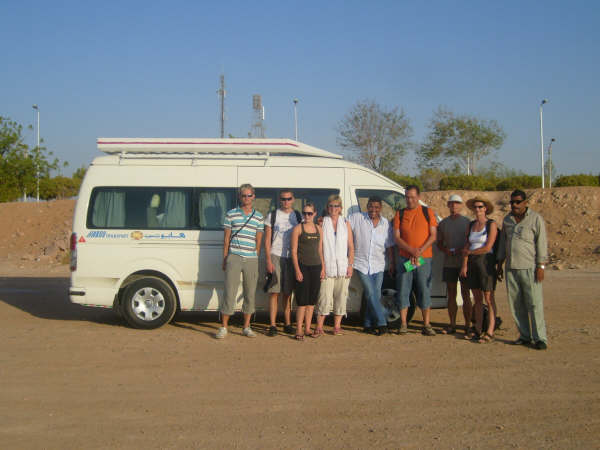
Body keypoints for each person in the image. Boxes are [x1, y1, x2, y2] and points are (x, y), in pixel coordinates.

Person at [496, 189, 549, 350]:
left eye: (518, 202)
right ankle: (525, 335)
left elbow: (541, 243)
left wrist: (541, 266)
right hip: (511, 268)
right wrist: (500, 264)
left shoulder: (535, 219)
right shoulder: (507, 220)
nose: (514, 205)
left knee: (534, 304)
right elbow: (503, 243)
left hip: (530, 268)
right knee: (516, 304)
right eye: (512, 202)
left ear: (525, 202)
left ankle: (540, 337)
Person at [217, 184, 264, 339]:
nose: (247, 198)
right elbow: (226, 240)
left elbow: (258, 241)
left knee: (250, 293)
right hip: (234, 257)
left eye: (249, 195)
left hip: (251, 258)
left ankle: (246, 327)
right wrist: (225, 258)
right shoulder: (231, 214)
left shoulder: (259, 216)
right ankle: (224, 327)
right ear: (240, 197)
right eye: (244, 195)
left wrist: (255, 255)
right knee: (229, 291)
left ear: (254, 196)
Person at [393, 185, 438, 336]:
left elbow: (433, 235)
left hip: (423, 259)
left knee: (424, 289)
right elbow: (397, 238)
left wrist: (419, 251)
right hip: (405, 258)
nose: (409, 200)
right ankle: (404, 324)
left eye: (412, 197)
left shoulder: (427, 212)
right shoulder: (400, 214)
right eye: (407, 197)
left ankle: (426, 324)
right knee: (403, 289)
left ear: (419, 197)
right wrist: (411, 250)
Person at [349, 196, 395, 336]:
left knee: (373, 295)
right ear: (367, 206)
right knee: (370, 293)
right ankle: (382, 323)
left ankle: (368, 324)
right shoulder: (357, 218)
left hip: (379, 265)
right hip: (361, 263)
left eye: (376, 207)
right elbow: (341, 224)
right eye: (370, 206)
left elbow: (390, 246)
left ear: (380, 208)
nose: (373, 210)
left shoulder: (385, 224)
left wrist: (392, 263)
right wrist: (323, 220)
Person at [314, 195, 355, 337]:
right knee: (324, 297)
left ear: (341, 208)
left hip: (343, 267)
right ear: (327, 207)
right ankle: (319, 327)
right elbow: (319, 247)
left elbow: (351, 246)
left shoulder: (346, 223)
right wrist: (322, 266)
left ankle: (337, 326)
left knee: (341, 297)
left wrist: (350, 265)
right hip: (327, 266)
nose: (333, 209)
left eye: (336, 206)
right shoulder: (321, 223)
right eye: (331, 206)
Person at [460, 196, 498, 343]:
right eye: (475, 207)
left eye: (480, 207)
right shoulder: (471, 225)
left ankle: (490, 330)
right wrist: (464, 264)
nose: (478, 209)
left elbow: (488, 247)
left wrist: (470, 254)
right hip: (472, 262)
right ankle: (478, 328)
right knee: (476, 298)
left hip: (485, 262)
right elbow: (467, 245)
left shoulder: (491, 224)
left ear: (486, 208)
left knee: (488, 298)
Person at [264, 189, 301, 336]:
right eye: (283, 199)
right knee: (274, 292)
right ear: (280, 200)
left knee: (287, 293)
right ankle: (272, 325)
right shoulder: (272, 215)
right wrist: (268, 260)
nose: (286, 201)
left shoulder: (297, 216)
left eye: (288, 198)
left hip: (291, 258)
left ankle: (287, 323)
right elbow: (267, 241)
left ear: (293, 199)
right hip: (276, 255)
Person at [436, 194, 472, 335]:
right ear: (448, 205)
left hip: (463, 263)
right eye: (451, 203)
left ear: (461, 205)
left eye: (457, 203)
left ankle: (468, 325)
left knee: (465, 294)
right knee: (451, 294)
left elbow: (470, 242)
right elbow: (439, 242)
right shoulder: (443, 223)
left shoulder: (467, 223)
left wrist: (461, 251)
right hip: (449, 262)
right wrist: (446, 250)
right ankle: (452, 324)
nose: (454, 206)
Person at [290, 202, 325, 341]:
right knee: (302, 301)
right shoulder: (298, 228)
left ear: (315, 214)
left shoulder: (318, 229)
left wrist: (323, 267)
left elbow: (320, 250)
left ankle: (308, 328)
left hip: (316, 267)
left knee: (311, 301)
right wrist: (297, 270)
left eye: (310, 213)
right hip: (303, 266)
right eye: (304, 213)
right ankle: (299, 329)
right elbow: (293, 252)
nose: (307, 216)